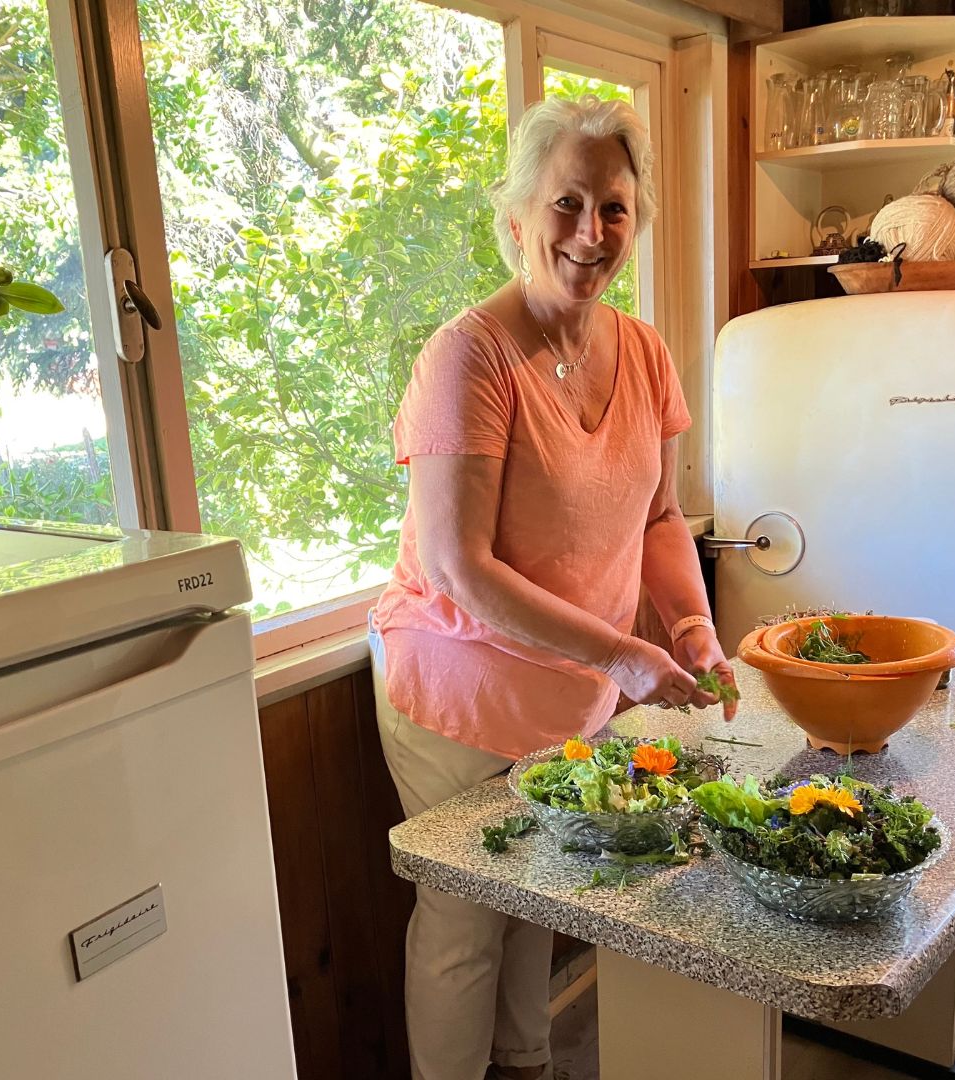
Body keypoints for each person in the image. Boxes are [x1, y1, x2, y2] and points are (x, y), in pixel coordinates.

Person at [368, 95, 738, 1080]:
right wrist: (621, 651)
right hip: (459, 690)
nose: (589, 232)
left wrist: (692, 625)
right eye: (565, 204)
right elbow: (458, 565)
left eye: (612, 208)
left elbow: (659, 520)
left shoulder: (645, 350)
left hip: (569, 693)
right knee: (464, 923)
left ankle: (527, 1067)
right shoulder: (469, 355)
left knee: (540, 890)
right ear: (519, 216)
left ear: (637, 219)